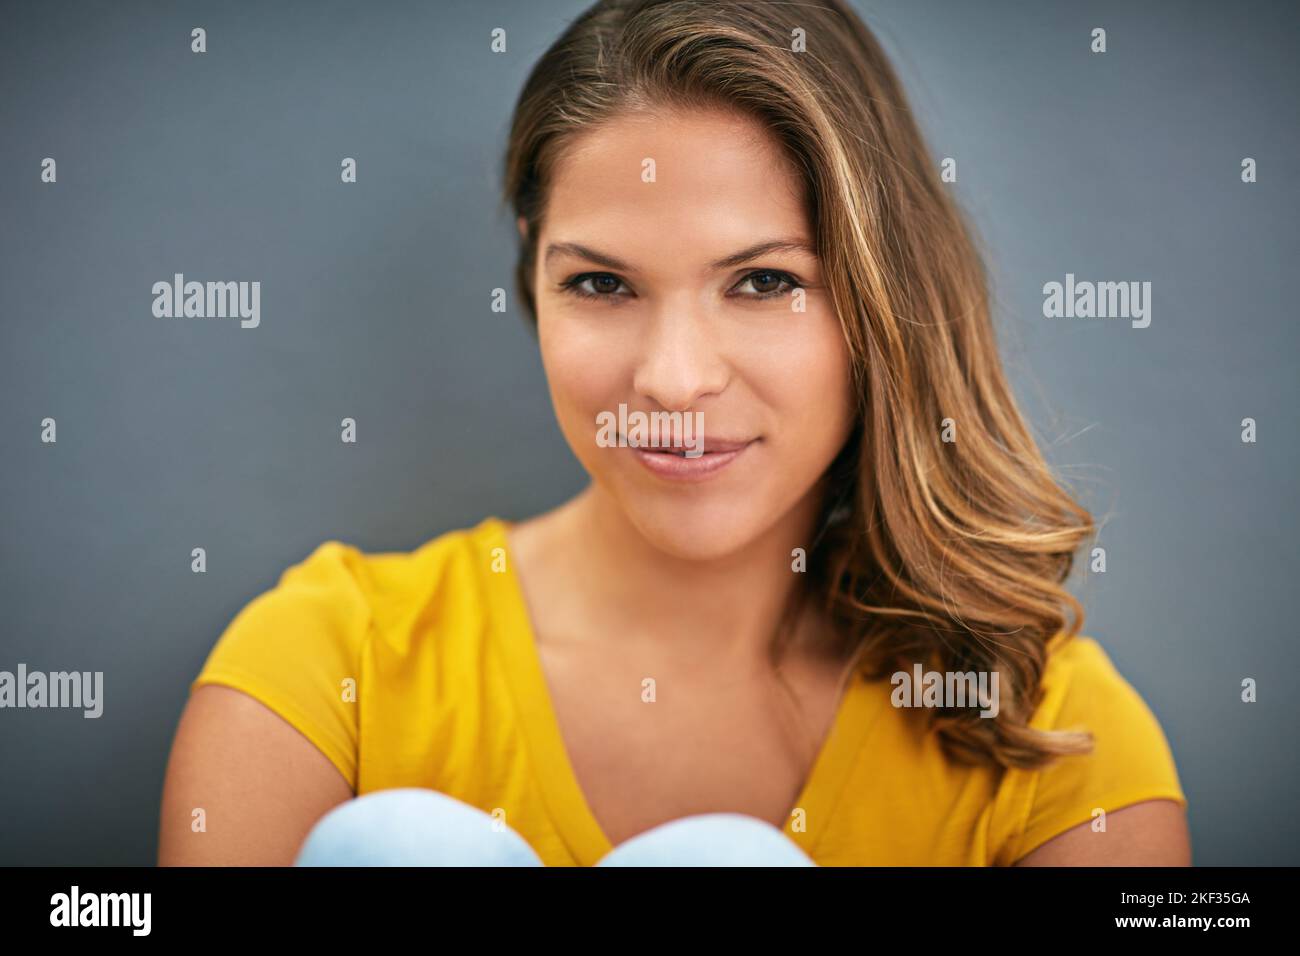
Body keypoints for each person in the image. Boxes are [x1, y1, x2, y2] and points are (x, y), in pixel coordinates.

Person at [159, 0, 1189, 866]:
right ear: (532, 274)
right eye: (601, 283)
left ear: (885, 299)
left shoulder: (1052, 738)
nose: (673, 378)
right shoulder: (325, 671)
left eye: (765, 281)